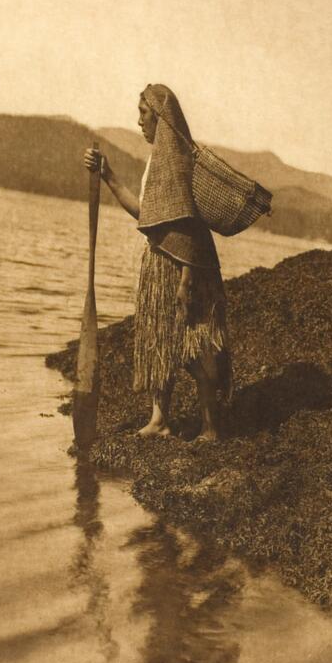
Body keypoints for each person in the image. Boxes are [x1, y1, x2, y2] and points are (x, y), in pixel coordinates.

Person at [84, 83, 233, 441]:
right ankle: (160, 419)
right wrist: (108, 175)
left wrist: (186, 280)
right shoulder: (158, 161)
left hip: (187, 267)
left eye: (144, 115)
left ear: (162, 119)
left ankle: (210, 426)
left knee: (195, 345)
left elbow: (191, 228)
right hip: (159, 261)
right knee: (160, 341)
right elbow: (146, 214)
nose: (139, 123)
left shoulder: (180, 163)